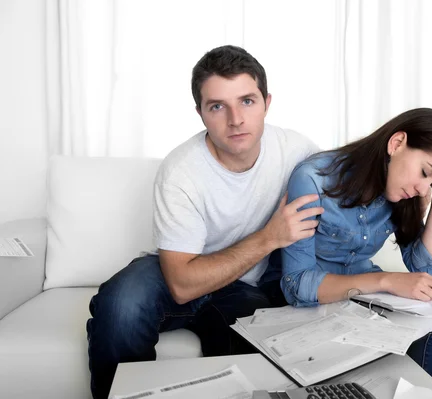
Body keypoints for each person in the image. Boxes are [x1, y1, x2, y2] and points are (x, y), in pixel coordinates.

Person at [86, 45, 322, 399]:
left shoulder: (297, 150)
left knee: (255, 346)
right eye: (217, 106)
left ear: (267, 102)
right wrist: (269, 238)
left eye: (247, 101)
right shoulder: (181, 171)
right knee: (121, 306)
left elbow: (351, 190)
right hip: (176, 269)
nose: (236, 119)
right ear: (200, 113)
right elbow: (180, 283)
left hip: (244, 285)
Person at [280, 108, 432, 388]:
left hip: (366, 299)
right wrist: (387, 281)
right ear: (396, 144)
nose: (422, 188)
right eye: (425, 173)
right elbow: (296, 284)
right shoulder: (313, 178)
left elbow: (426, 266)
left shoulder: (407, 193)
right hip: (320, 300)